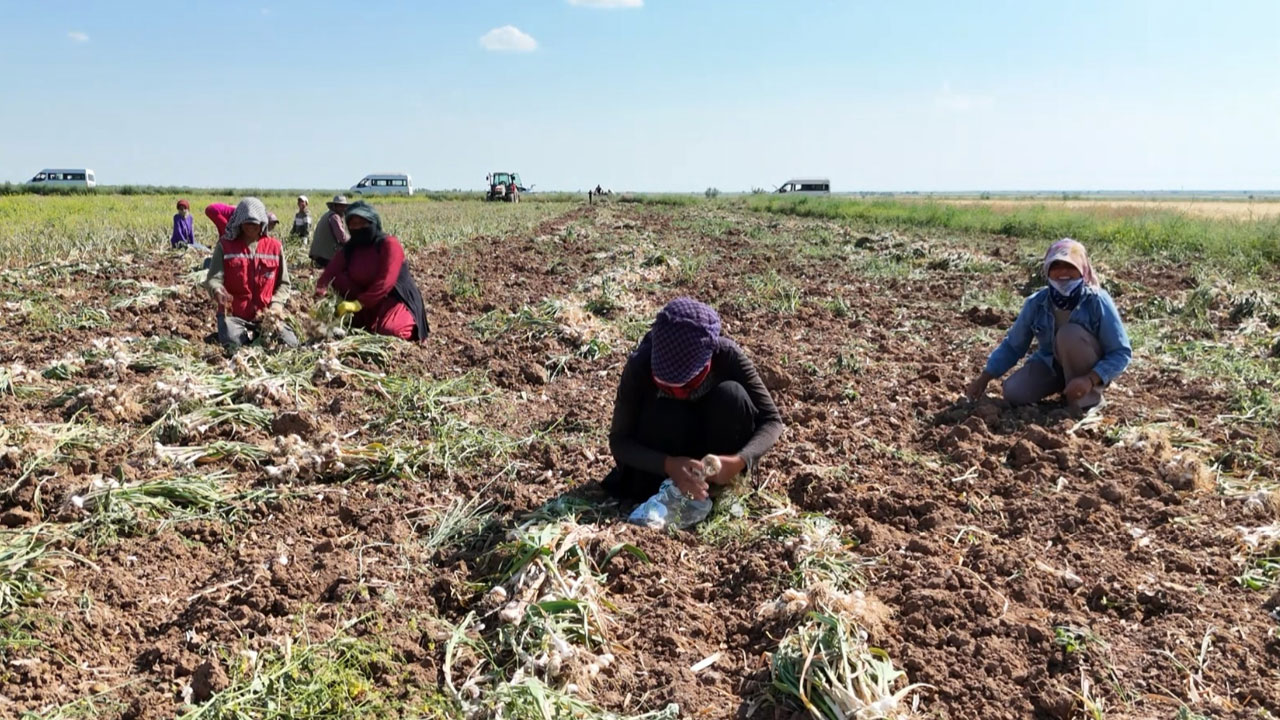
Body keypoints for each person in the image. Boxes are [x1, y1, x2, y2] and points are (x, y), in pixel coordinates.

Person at [603, 298, 784, 503]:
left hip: (713, 455)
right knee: (667, 410)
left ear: (708, 360)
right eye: (667, 385)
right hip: (664, 460)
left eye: (687, 384)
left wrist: (739, 461)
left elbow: (772, 421)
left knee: (732, 394)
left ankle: (718, 490)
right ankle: (667, 491)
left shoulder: (727, 356)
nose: (679, 392)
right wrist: (668, 465)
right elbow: (619, 441)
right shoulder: (640, 364)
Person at [966, 238, 1131, 411]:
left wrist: (1090, 379)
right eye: (1056, 266)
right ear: (1047, 270)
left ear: (1082, 269)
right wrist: (984, 378)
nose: (1063, 272)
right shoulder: (1037, 303)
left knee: (1069, 334)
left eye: (1070, 266)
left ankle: (1087, 400)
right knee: (1013, 392)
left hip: (1088, 368)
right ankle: (1065, 385)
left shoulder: (1097, 301)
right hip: (1052, 365)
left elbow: (1121, 352)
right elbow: (1013, 345)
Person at [315, 201, 429, 341]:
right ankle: (367, 320)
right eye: (353, 224)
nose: (358, 228)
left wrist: (358, 303)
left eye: (363, 223)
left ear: (373, 223)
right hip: (365, 299)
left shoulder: (389, 244)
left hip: (395, 298)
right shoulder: (350, 248)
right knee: (339, 279)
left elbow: (386, 281)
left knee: (389, 331)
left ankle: (401, 322)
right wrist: (319, 298)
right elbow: (329, 273)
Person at [202, 197, 298, 350]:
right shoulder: (225, 246)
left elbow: (284, 283)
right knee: (234, 345)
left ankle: (259, 332)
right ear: (239, 223)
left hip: (266, 315)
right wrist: (218, 291)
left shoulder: (275, 247)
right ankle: (224, 334)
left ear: (262, 223)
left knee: (289, 344)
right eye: (247, 222)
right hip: (234, 315)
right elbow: (214, 279)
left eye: (255, 223)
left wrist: (276, 305)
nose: (251, 227)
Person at [308, 194, 351, 268]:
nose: (343, 208)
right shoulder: (335, 217)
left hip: (318, 255)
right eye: (340, 206)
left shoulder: (328, 215)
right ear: (335, 206)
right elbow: (342, 238)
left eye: (344, 206)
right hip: (325, 257)